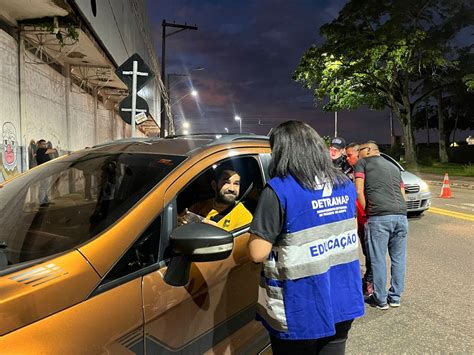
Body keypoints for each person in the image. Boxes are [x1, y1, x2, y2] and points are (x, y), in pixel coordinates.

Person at [247, 121, 364, 354]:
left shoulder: (279, 189)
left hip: (300, 303)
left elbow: (257, 252)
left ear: (281, 151)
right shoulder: (344, 184)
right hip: (342, 294)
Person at [354, 141, 408, 310]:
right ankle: (396, 297)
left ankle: (381, 299)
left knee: (378, 259)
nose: (358, 154)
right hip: (401, 216)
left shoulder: (362, 163)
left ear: (369, 150)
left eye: (360, 150)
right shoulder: (393, 166)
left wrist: (367, 211)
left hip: (379, 217)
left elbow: (358, 191)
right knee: (398, 259)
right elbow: (402, 193)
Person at [179, 165, 253, 232]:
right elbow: (182, 220)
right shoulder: (200, 206)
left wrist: (216, 231)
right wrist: (180, 221)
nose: (232, 189)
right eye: (226, 182)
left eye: (236, 183)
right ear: (214, 185)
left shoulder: (244, 217)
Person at [345, 142, 372, 295]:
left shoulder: (368, 171)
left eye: (350, 156)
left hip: (367, 217)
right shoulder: (348, 171)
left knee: (371, 253)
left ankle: (370, 282)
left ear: (358, 154)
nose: (348, 159)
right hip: (356, 220)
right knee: (364, 252)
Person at [35, 139, 57, 206]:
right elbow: (53, 151)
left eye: (45, 144)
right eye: (43, 144)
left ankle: (46, 200)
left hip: (47, 171)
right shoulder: (40, 150)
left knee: (46, 186)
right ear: (39, 145)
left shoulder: (42, 151)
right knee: (43, 187)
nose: (45, 145)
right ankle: (42, 202)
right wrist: (55, 149)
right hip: (43, 171)